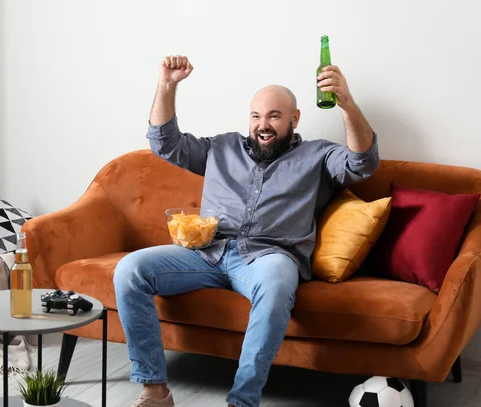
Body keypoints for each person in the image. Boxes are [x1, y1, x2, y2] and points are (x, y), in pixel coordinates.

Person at [113, 55, 380, 407]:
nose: (262, 125)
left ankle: (242, 401)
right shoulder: (221, 148)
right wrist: (168, 85)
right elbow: (164, 142)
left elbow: (363, 163)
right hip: (207, 252)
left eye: (273, 116)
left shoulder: (318, 156)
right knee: (130, 270)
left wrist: (345, 103)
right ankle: (154, 389)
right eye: (256, 116)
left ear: (294, 119)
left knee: (276, 283)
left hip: (269, 257)